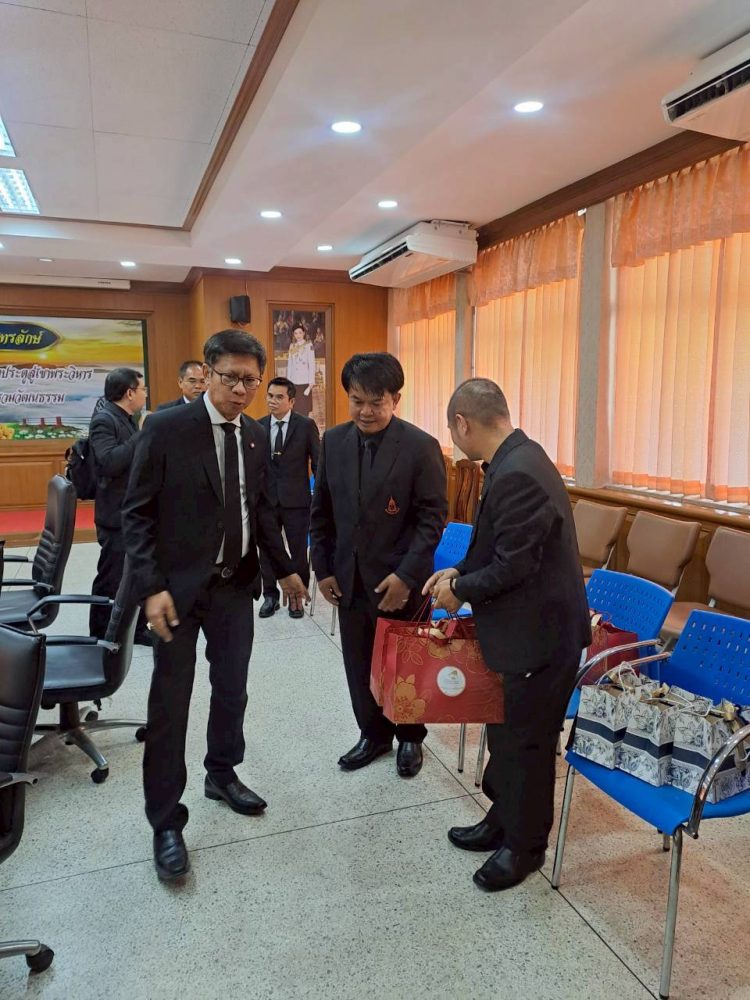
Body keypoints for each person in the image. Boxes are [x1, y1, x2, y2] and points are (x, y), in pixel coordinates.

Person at [122, 329, 308, 883]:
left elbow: (263, 511)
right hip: (176, 593)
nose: (242, 391)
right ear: (207, 373)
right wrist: (150, 586)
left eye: (252, 380)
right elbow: (136, 513)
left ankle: (221, 773)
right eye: (231, 378)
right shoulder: (165, 428)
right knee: (170, 703)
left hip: (233, 587)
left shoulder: (255, 436)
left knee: (232, 688)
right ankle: (165, 820)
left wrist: (287, 569)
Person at [424, 378, 591, 892]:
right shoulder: (513, 458)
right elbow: (493, 544)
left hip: (541, 638)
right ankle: (503, 819)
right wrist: (458, 572)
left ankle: (525, 847)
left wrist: (460, 590)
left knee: (529, 744)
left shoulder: (518, 471)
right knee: (505, 734)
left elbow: (515, 565)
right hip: (522, 633)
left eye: (452, 431)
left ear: (462, 423)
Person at [310, 353, 447, 779]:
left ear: (396, 399)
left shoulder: (420, 447)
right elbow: (321, 512)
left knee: (406, 663)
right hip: (349, 580)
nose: (366, 411)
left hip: (399, 582)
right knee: (358, 662)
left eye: (376, 402)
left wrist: (407, 576)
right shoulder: (333, 441)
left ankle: (410, 736)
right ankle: (373, 734)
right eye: (357, 401)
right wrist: (322, 569)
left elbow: (431, 521)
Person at [89, 367, 149, 642]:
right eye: (143, 389)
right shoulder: (104, 419)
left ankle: (134, 628)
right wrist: (142, 433)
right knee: (111, 577)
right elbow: (110, 462)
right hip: (115, 515)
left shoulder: (125, 418)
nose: (145, 394)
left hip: (131, 512)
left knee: (134, 574)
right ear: (129, 393)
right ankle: (100, 633)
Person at [258, 377, 320, 619]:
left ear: (292, 401)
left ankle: (297, 597)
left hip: (296, 501)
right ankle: (270, 596)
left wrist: (321, 498)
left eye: (279, 397)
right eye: (270, 396)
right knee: (267, 551)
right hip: (266, 501)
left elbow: (318, 463)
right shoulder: (258, 426)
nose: (272, 401)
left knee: (298, 552)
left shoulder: (305, 426)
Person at [286, 325, 316, 417]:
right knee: (295, 406)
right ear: (293, 335)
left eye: (300, 333)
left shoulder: (309, 345)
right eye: (296, 333)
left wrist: (311, 382)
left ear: (303, 333)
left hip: (305, 381)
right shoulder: (292, 346)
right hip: (294, 380)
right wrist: (288, 381)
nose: (298, 335)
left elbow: (311, 364)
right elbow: (290, 364)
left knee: (304, 407)